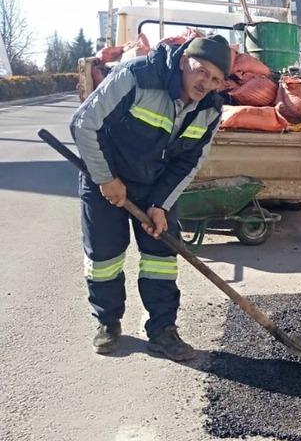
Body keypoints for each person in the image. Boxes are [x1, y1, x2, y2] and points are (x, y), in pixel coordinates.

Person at [70, 35, 231, 361]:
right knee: (105, 257)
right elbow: (84, 124)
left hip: (154, 186)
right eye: (203, 72)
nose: (207, 84)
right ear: (186, 60)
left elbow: (189, 161)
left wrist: (161, 204)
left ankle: (162, 329)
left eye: (216, 79)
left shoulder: (211, 109)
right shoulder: (138, 76)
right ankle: (107, 321)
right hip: (107, 177)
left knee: (162, 256)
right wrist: (106, 179)